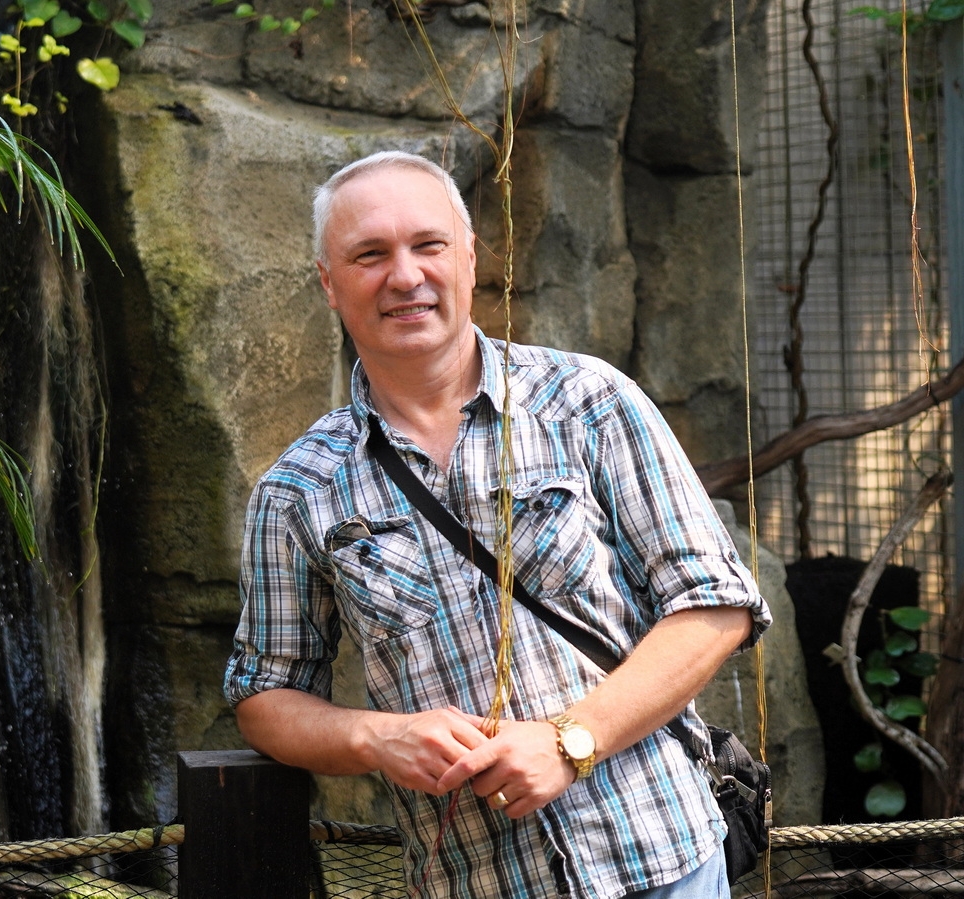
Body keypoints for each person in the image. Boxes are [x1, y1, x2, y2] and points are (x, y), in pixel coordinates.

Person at [222, 151, 772, 899]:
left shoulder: (588, 402)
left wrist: (570, 741)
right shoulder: (298, 489)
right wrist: (376, 737)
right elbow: (264, 695)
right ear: (328, 281)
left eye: (428, 244)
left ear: (470, 256)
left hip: (661, 857)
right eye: (369, 255)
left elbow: (716, 605)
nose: (406, 276)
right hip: (473, 880)